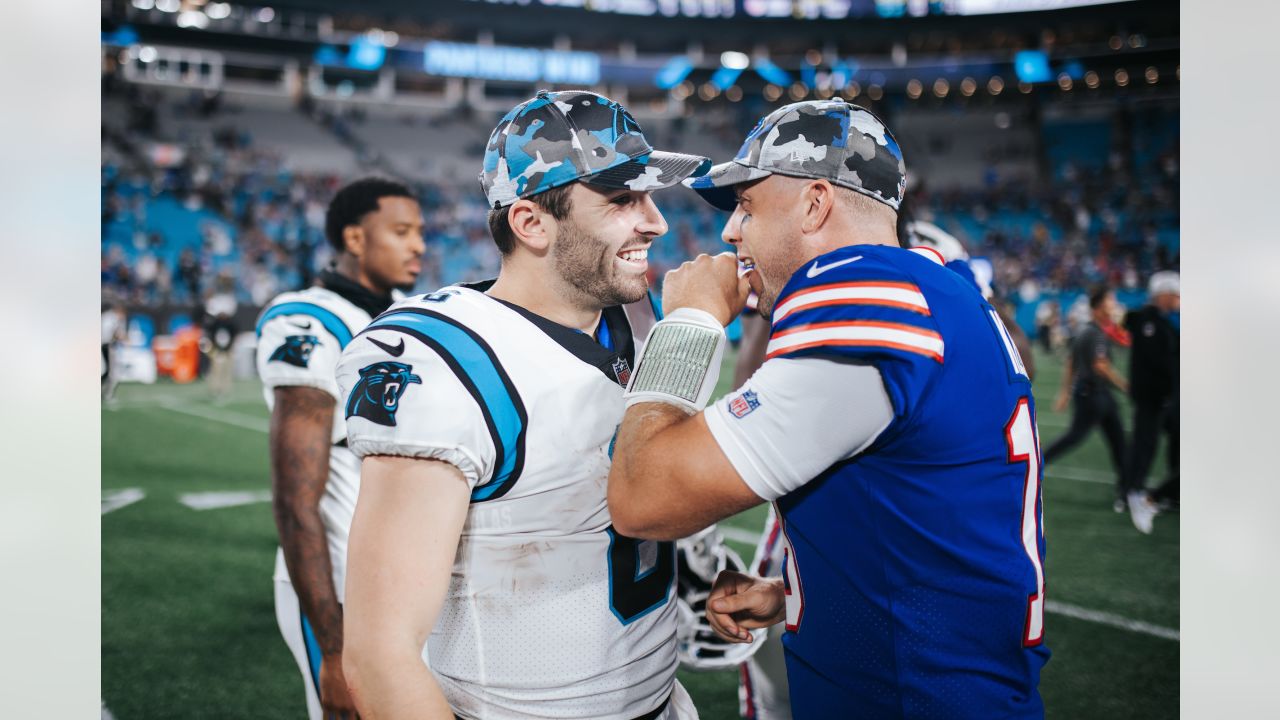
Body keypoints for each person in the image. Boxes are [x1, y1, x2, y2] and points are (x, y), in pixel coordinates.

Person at [606, 99, 1049, 719]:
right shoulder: (942, 290)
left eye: (748, 205)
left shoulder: (863, 296)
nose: (732, 232)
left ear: (816, 204)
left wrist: (688, 323)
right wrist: (801, 594)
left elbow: (643, 497)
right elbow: (934, 523)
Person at [335, 89, 709, 720]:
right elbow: (379, 656)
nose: (656, 221)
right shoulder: (449, 361)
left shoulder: (639, 321)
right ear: (531, 222)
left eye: (649, 195)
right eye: (622, 200)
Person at [255, 176, 425, 720]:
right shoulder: (307, 319)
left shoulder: (418, 315)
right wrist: (333, 648)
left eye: (420, 231)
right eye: (401, 231)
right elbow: (294, 499)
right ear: (355, 239)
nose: (418, 244)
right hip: (345, 583)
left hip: (414, 580)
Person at [1044, 285, 1133, 513]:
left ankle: (1126, 490)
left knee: (1118, 442)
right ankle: (1035, 464)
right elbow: (1100, 366)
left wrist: (1064, 392)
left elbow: (1071, 362)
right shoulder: (1095, 333)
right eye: (1109, 302)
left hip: (1094, 393)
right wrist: (1125, 386)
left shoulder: (1087, 330)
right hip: (1093, 395)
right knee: (1078, 438)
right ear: (1098, 307)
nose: (1113, 306)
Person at [1124, 270, 1180, 524]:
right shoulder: (1149, 321)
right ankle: (1131, 491)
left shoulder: (1162, 321)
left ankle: (1161, 491)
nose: (1178, 298)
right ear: (1163, 294)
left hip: (1161, 395)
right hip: (1151, 395)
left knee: (1163, 441)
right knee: (1144, 444)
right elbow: (1158, 360)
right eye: (1174, 293)